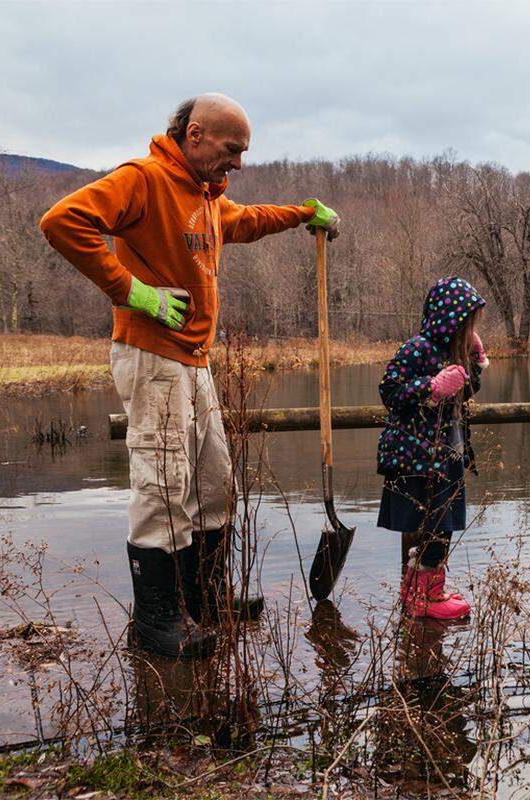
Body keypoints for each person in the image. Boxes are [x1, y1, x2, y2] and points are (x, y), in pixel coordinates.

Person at [39, 93, 340, 659]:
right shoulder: (145, 179)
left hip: (194, 360)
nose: (240, 164)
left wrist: (304, 214)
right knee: (162, 486)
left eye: (244, 153)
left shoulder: (206, 197)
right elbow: (63, 221)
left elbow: (247, 220)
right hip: (152, 357)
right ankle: (157, 623)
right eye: (232, 150)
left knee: (211, 483)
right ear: (195, 135)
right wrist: (134, 292)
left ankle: (204, 601)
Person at [376, 277, 489, 620]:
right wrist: (431, 386)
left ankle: (425, 593)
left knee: (443, 526)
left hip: (446, 456)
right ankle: (424, 598)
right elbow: (390, 391)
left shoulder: (451, 352)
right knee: (434, 527)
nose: (470, 329)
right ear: (451, 319)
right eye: (467, 323)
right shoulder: (419, 349)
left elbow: (463, 395)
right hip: (419, 457)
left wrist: (476, 362)